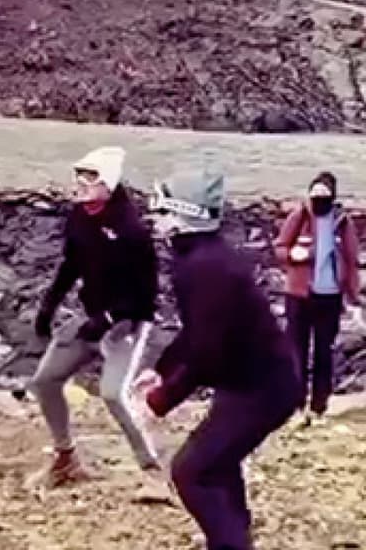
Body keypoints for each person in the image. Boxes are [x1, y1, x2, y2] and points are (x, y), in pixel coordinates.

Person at [139, 169, 301, 550]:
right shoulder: (203, 258)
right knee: (218, 463)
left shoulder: (203, 267)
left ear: (182, 216)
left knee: (192, 472)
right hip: (252, 382)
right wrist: (160, 369)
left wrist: (164, 398)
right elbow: (197, 331)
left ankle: (231, 543)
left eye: (162, 213)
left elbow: (207, 351)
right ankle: (232, 535)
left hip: (262, 391)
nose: (156, 221)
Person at [28, 146, 161, 487]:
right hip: (91, 317)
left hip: (127, 324)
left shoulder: (132, 231)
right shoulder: (78, 217)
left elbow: (145, 297)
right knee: (45, 380)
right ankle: (65, 458)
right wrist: (48, 307)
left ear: (109, 184)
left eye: (91, 177)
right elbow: (71, 265)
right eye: (79, 176)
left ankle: (153, 470)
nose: (82, 184)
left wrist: (109, 318)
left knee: (113, 394)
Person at [273, 171, 361, 427]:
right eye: (315, 195)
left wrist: (353, 294)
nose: (318, 200)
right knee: (296, 350)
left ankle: (319, 406)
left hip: (330, 297)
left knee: (325, 351)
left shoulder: (342, 223)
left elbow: (352, 259)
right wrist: (294, 254)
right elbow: (279, 247)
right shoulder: (299, 216)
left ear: (332, 197)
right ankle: (296, 404)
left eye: (324, 196)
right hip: (299, 295)